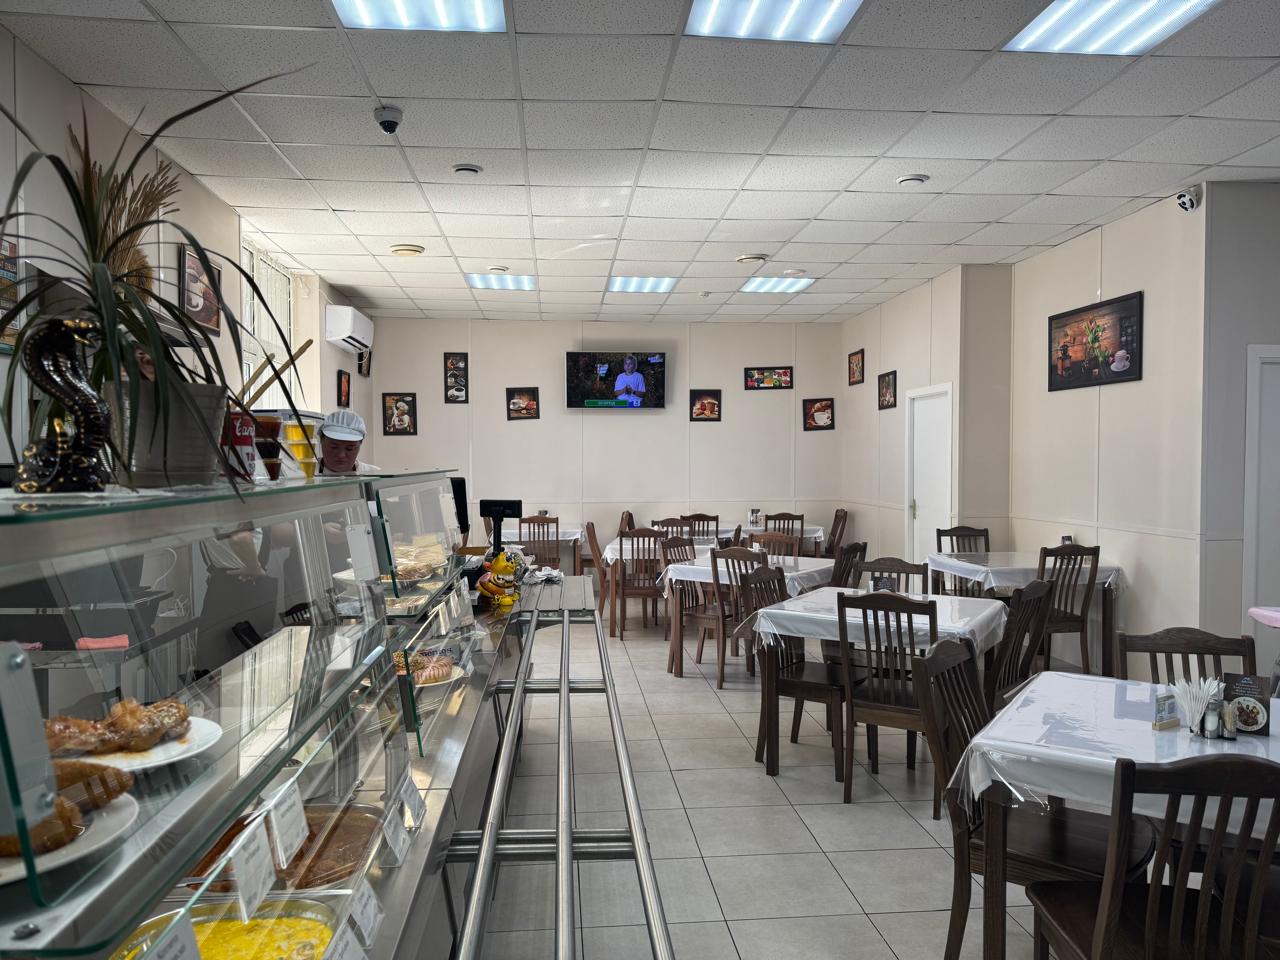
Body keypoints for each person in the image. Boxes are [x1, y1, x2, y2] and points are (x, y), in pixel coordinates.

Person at [317, 409, 380, 475]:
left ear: (360, 444)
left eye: (349, 449)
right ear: (321, 440)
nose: (341, 455)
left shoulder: (373, 474)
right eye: (334, 447)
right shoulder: (309, 472)